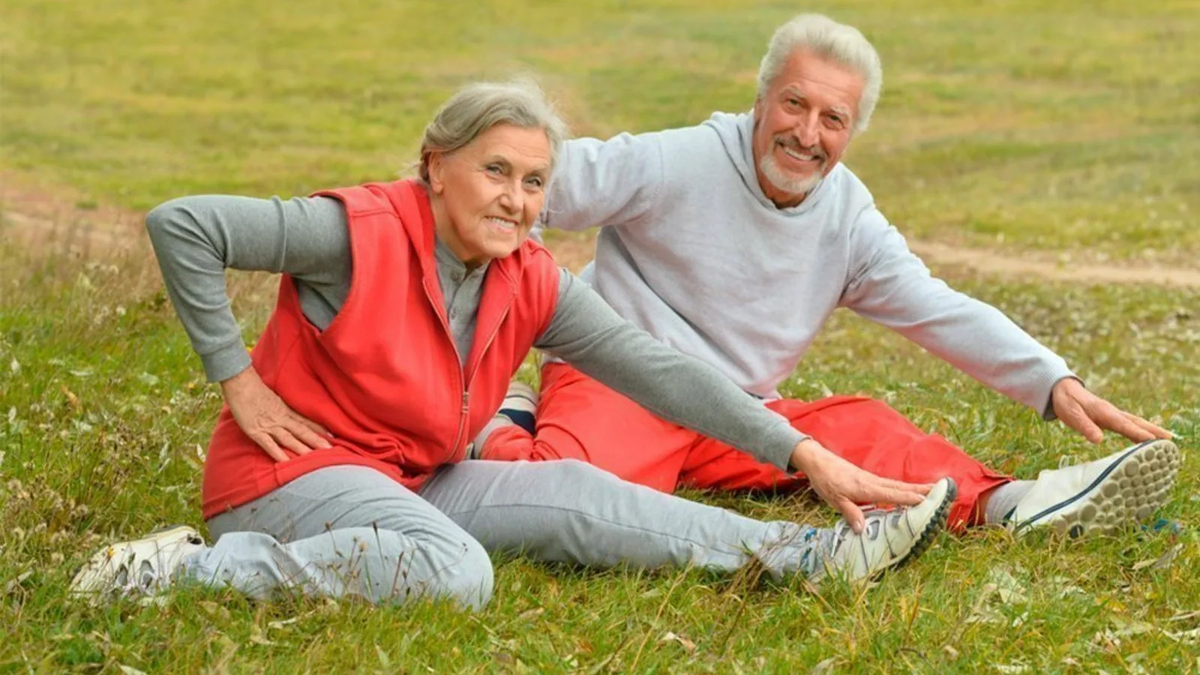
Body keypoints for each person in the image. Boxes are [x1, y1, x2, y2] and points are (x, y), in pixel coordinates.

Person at [70, 81, 957, 609]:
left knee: (570, 487)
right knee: (456, 572)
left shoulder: (527, 275)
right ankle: (181, 570)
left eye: (535, 182)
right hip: (286, 480)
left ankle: (813, 556)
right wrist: (236, 378)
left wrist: (802, 450)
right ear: (435, 165)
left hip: (411, 474)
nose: (516, 198)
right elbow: (183, 225)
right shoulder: (354, 232)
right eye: (496, 171)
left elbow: (661, 372)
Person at [475, 15, 1181, 538]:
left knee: (866, 427)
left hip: (740, 412)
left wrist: (1051, 380)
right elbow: (530, 189)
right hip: (622, 385)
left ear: (852, 131)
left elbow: (936, 307)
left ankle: (1018, 503)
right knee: (565, 497)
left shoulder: (848, 219)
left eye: (832, 118)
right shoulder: (677, 160)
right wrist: (513, 317)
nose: (807, 133)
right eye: (794, 104)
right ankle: (504, 421)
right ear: (761, 99)